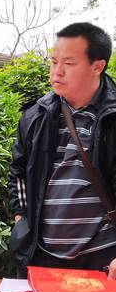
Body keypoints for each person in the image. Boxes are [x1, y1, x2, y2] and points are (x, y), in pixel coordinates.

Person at [9, 22, 116, 277]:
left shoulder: (112, 116)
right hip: (44, 257)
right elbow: (19, 172)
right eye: (54, 61)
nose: (57, 71)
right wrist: (22, 219)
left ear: (97, 66)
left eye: (69, 63)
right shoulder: (35, 116)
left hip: (104, 259)